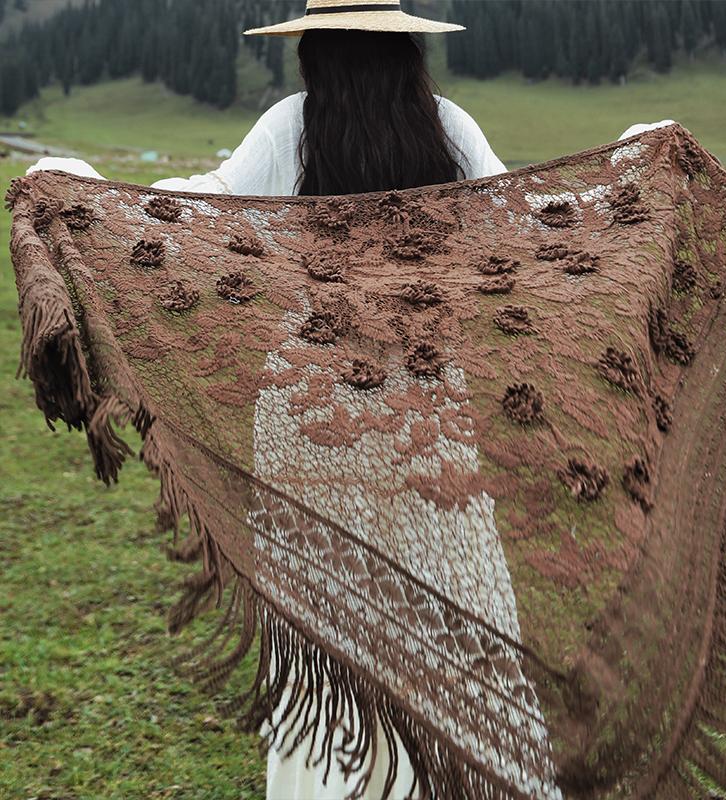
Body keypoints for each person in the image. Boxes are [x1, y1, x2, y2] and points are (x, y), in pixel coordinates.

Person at [26, 2, 674, 798]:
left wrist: (80, 190)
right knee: (447, 616)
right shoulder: (449, 130)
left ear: (316, 53)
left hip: (313, 412)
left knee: (333, 629)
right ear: (406, 50)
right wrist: (634, 167)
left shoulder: (290, 126)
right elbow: (532, 219)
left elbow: (195, 207)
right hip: (424, 409)